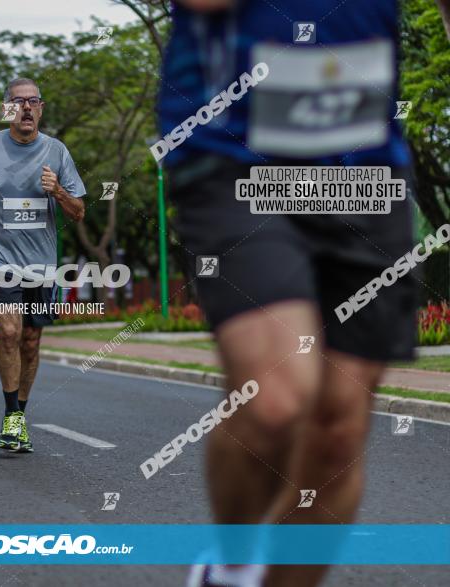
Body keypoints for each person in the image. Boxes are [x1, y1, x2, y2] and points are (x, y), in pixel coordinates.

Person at [157, 2, 450, 586]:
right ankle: (232, 568)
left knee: (337, 428)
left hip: (365, 174)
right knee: (275, 397)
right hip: (235, 159)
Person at [0, 78, 86, 453]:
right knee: (11, 333)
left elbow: (78, 212)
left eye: (34, 102)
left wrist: (59, 192)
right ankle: (11, 415)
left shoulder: (57, 152)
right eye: (18, 102)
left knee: (31, 341)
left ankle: (20, 415)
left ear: (41, 109)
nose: (27, 108)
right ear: (7, 109)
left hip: (41, 264)